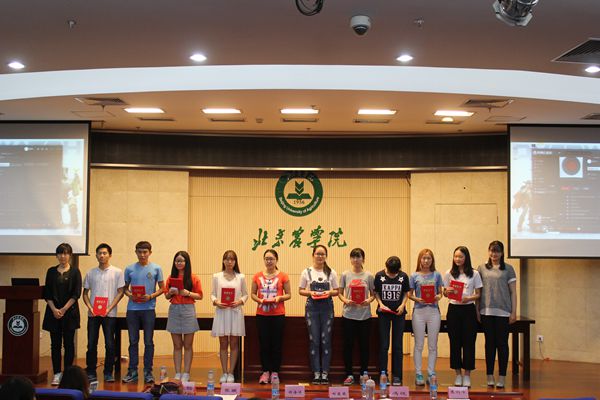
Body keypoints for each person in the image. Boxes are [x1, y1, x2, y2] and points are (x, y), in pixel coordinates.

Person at [122, 241, 165, 384]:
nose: (142, 255)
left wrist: (151, 296)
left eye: (145, 252)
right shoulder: (129, 269)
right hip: (132, 310)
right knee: (133, 341)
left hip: (148, 310)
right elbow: (125, 288)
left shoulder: (156, 268)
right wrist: (130, 295)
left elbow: (162, 288)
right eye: (139, 252)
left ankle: (148, 372)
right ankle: (132, 371)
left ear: (150, 253)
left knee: (148, 342)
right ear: (136, 252)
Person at [82, 243, 125, 383]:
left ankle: (108, 372)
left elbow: (121, 292)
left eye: (105, 253)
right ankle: (91, 372)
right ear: (96, 255)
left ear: (110, 255)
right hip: (93, 315)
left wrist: (109, 308)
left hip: (109, 315)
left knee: (110, 344)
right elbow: (85, 293)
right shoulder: (90, 273)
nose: (102, 255)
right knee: (91, 344)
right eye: (99, 253)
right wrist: (90, 307)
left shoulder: (117, 272)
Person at [477, 240, 517, 389]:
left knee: (502, 344)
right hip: (486, 311)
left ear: (502, 253)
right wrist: (477, 310)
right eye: (492, 251)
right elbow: (478, 292)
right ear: (488, 251)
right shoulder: (481, 268)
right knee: (489, 344)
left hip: (503, 312)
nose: (494, 254)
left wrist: (513, 312)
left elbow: (513, 292)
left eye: (497, 251)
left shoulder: (509, 269)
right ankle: (489, 375)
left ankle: (502, 376)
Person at [43, 242, 82, 386]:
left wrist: (64, 309)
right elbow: (47, 293)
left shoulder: (75, 272)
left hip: (69, 313)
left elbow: (76, 294)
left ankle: (68, 374)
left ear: (70, 255)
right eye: (60, 253)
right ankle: (57, 374)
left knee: (69, 344)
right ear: (56, 255)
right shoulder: (51, 271)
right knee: (55, 345)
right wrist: (54, 309)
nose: (62, 256)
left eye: (65, 253)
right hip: (53, 313)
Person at [299, 245, 339, 385]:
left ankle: (325, 373)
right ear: (313, 255)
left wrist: (328, 292)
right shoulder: (307, 272)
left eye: (322, 254)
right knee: (314, 340)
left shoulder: (331, 272)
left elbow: (337, 291)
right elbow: (300, 290)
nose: (320, 256)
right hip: (312, 309)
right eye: (318, 254)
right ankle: (316, 373)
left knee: (326, 340)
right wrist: (311, 293)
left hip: (327, 309)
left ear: (326, 256)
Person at [443, 246, 482, 388]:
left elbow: (478, 294)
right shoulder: (449, 273)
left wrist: (468, 298)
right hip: (454, 309)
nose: (458, 259)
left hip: (468, 310)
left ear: (466, 258)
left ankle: (467, 375)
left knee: (469, 342)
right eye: (456, 256)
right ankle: (458, 374)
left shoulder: (474, 274)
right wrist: (447, 292)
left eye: (461, 256)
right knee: (455, 342)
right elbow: (444, 293)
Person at [250, 249, 291, 384]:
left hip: (278, 315)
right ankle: (265, 372)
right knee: (264, 344)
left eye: (271, 259)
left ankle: (275, 372)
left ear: (276, 260)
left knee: (276, 344)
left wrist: (280, 298)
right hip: (262, 315)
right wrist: (259, 300)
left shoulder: (283, 276)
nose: (269, 261)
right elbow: (253, 294)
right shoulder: (257, 276)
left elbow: (289, 294)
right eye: (266, 259)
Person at [164, 250, 203, 382]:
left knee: (188, 345)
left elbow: (200, 296)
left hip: (188, 309)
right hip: (174, 310)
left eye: (181, 261)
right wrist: (170, 293)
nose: (179, 263)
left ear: (187, 262)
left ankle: (186, 372)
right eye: (177, 261)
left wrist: (187, 293)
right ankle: (177, 372)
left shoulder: (193, 277)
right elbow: (166, 296)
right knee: (177, 345)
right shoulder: (171, 277)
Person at [211, 250, 248, 384]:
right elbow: (213, 294)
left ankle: (231, 372)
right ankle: (224, 372)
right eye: (227, 259)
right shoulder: (217, 276)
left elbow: (245, 294)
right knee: (222, 343)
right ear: (223, 261)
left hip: (235, 312)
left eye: (232, 259)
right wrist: (216, 302)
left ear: (235, 261)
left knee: (233, 343)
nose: (229, 262)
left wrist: (240, 301)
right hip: (222, 313)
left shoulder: (241, 277)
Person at [408, 248, 443, 387]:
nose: (426, 260)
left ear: (432, 260)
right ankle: (418, 373)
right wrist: (418, 299)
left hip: (433, 312)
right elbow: (409, 294)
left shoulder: (437, 275)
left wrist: (437, 297)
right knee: (419, 344)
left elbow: (440, 293)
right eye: (424, 258)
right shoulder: (414, 275)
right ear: (420, 260)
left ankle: (431, 373)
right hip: (419, 312)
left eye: (429, 258)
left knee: (433, 345)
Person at [373, 255, 409, 386]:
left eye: (394, 273)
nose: (392, 275)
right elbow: (376, 292)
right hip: (384, 313)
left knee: (397, 345)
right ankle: (383, 374)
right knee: (384, 345)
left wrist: (403, 305)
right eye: (389, 272)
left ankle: (397, 375)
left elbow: (406, 293)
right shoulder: (379, 276)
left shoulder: (403, 276)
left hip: (399, 313)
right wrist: (381, 304)